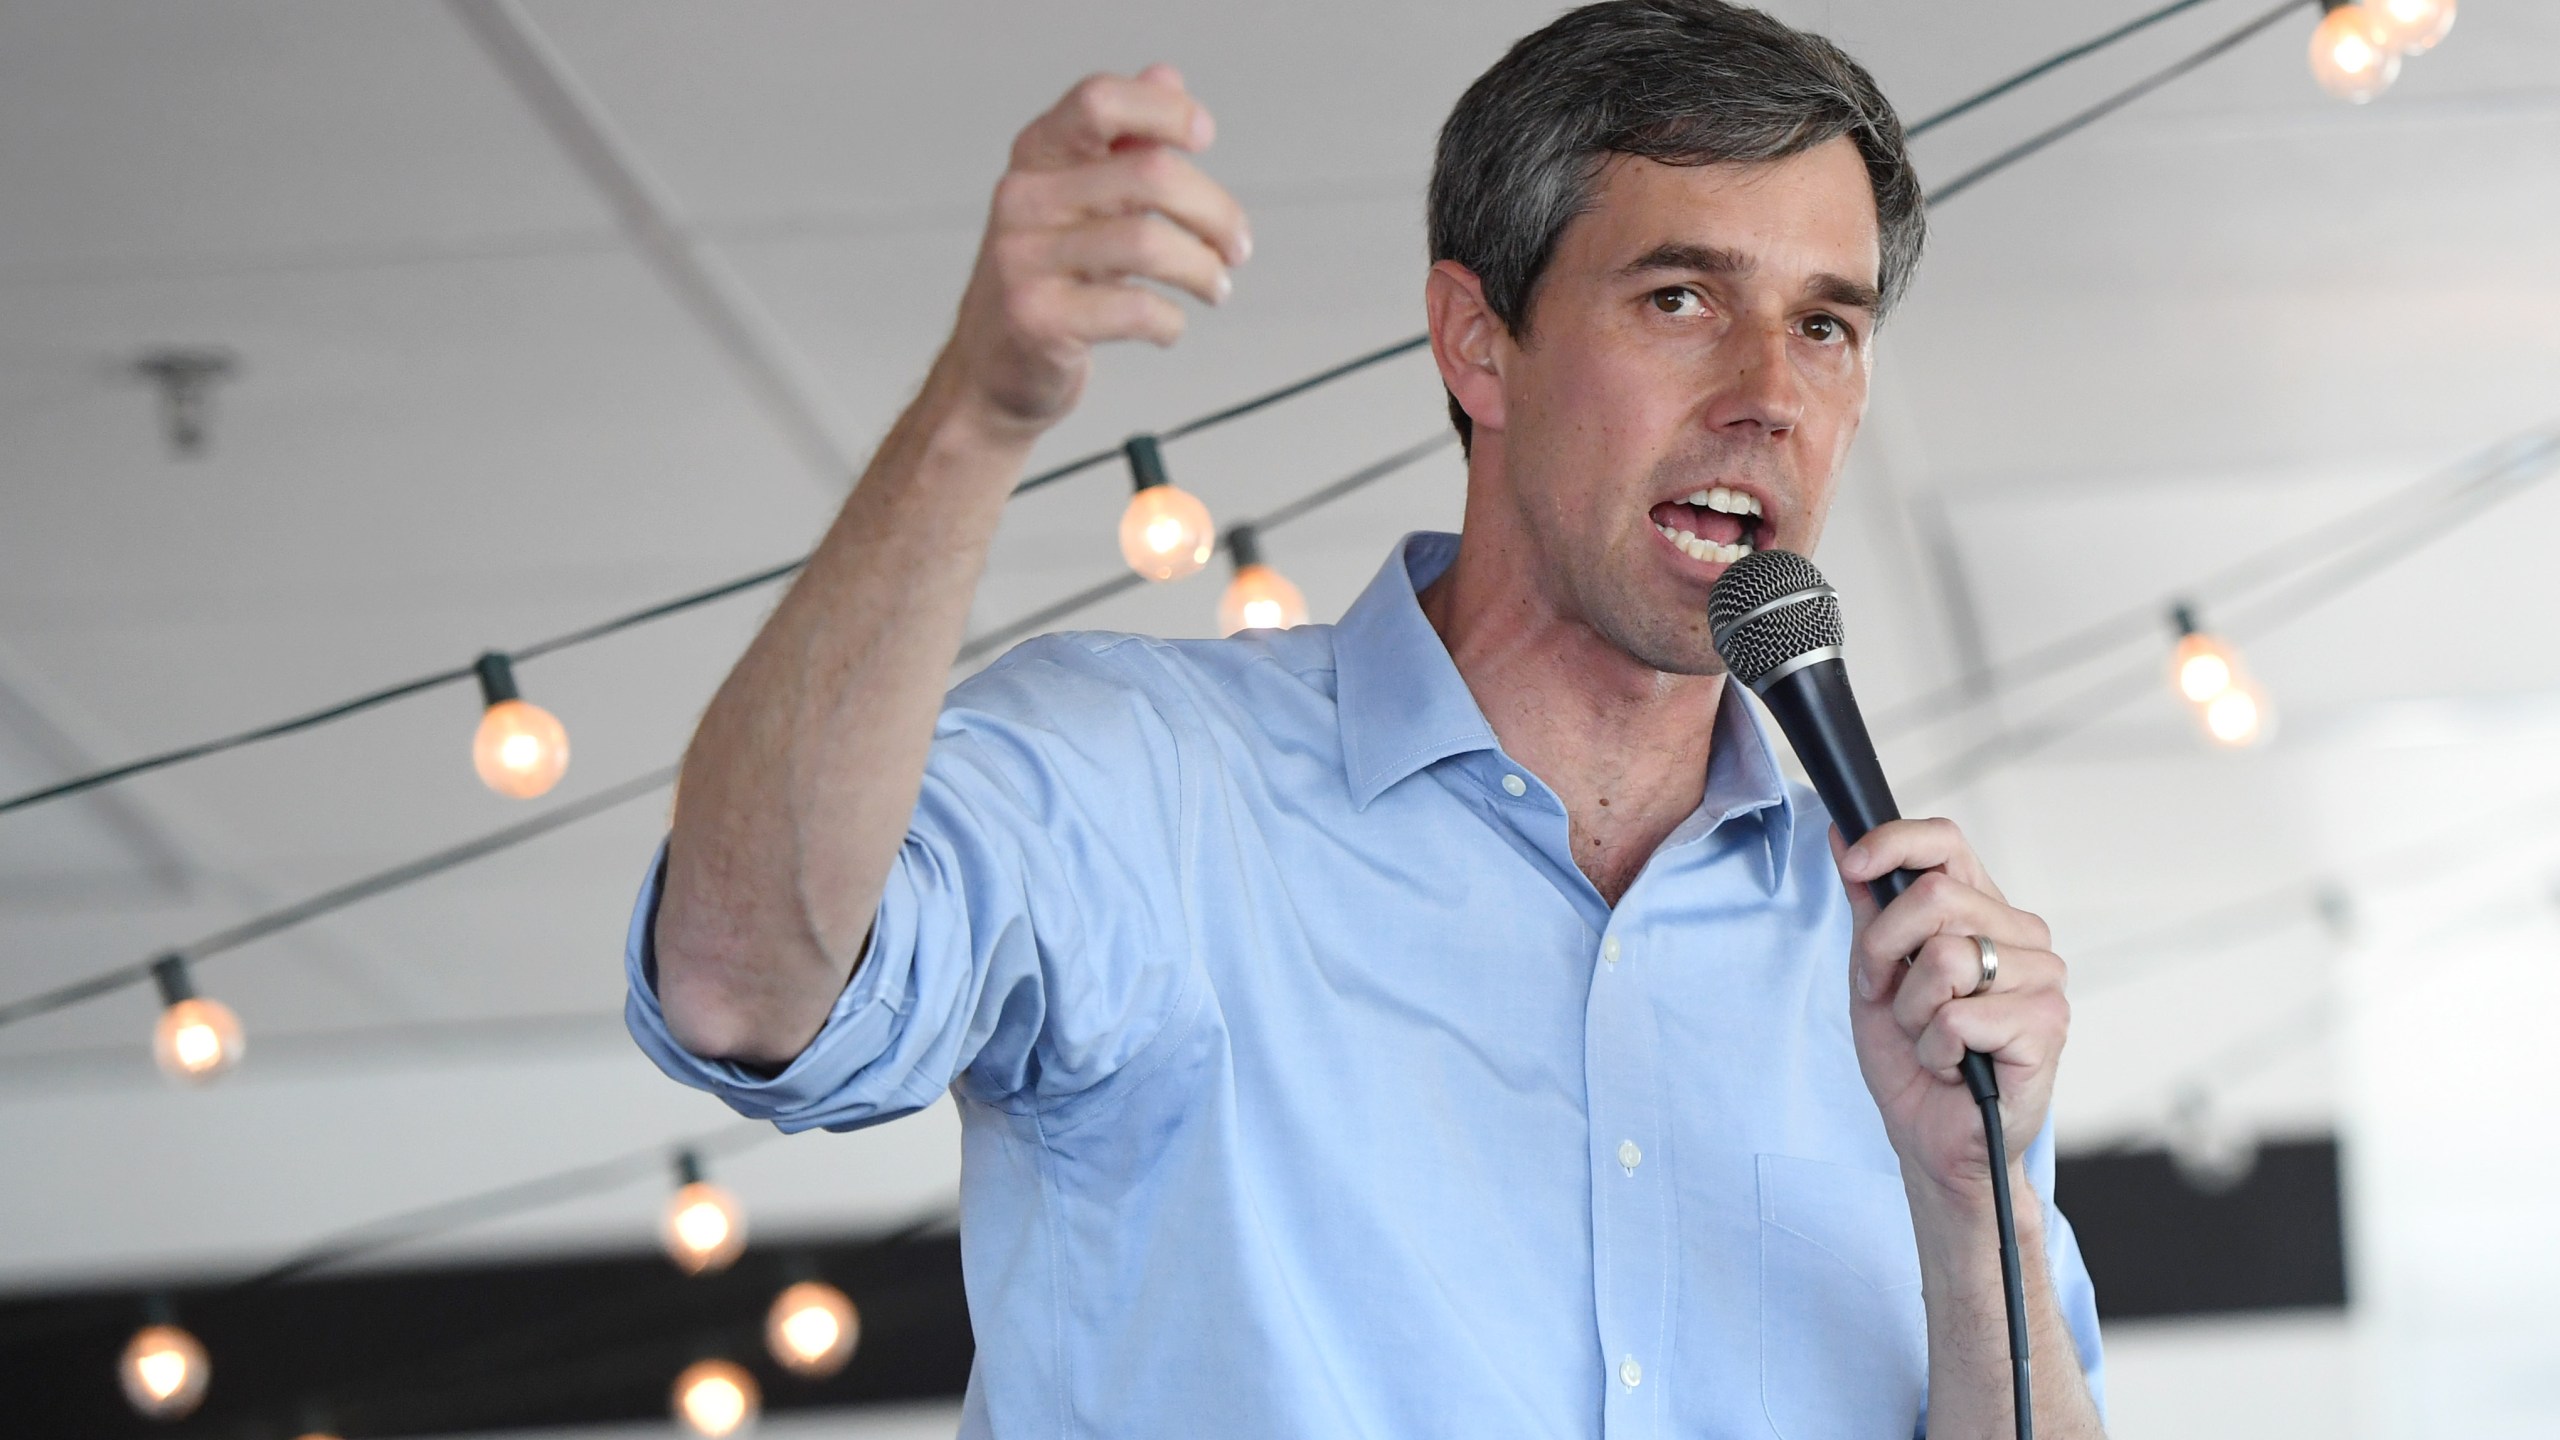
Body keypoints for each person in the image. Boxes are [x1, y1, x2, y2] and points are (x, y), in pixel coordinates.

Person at [625, 2, 2106, 1435]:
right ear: (1477, 341)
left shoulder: (1903, 973)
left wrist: (1970, 1207)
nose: (1768, 393)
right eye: (1681, 298)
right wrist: (977, 412)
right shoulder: (1148, 789)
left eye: (1827, 327)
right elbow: (740, 985)